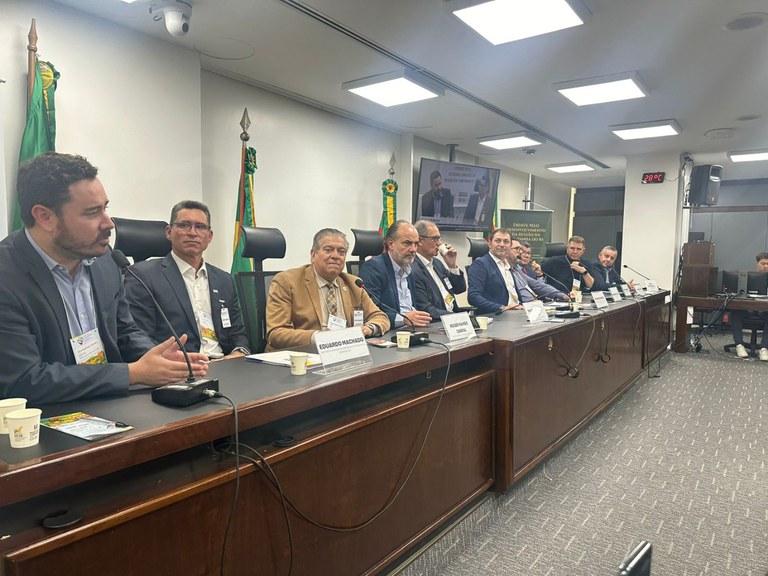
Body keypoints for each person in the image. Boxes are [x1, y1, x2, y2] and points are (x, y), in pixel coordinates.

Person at [0, 152, 208, 404]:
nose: (108, 223)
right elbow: (24, 381)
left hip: (107, 403)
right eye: (91, 213)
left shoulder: (105, 260)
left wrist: (160, 359)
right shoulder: (7, 277)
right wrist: (133, 373)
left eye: (105, 208)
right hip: (41, 419)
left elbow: (124, 330)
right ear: (45, 217)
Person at [124, 200, 250, 360]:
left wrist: (239, 352)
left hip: (224, 365)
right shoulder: (142, 276)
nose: (192, 232)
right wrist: (176, 361)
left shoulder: (224, 279)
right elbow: (138, 336)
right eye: (184, 225)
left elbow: (237, 332)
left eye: (200, 227)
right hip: (178, 369)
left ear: (209, 236)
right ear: (169, 232)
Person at [265, 228, 390, 351]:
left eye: (341, 252)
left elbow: (380, 317)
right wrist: (321, 338)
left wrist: (368, 328)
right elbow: (276, 333)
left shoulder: (353, 283)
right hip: (302, 356)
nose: (335, 256)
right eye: (328, 250)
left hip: (344, 353)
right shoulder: (286, 281)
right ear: (313, 254)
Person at [467, 229, 568, 314]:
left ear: (509, 245)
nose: (502, 245)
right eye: (498, 241)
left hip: (518, 313)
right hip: (498, 316)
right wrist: (501, 307)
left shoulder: (509, 266)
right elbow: (473, 297)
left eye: (506, 242)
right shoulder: (480, 265)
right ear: (489, 244)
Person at [358, 220, 432, 329]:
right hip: (389, 331)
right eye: (407, 243)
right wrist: (403, 319)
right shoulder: (374, 268)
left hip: (411, 329)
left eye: (415, 244)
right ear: (391, 244)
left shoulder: (409, 270)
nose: (413, 249)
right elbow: (370, 312)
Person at [412, 220, 467, 320]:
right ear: (420, 241)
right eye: (435, 239)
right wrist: (457, 317)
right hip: (436, 324)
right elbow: (425, 309)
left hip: (453, 319)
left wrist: (452, 265)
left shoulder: (437, 263)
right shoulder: (413, 269)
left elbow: (460, 289)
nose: (440, 243)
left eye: (439, 238)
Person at [731, 251, 768, 360]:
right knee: (735, 312)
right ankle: (739, 345)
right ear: (757, 264)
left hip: (765, 311)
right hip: (749, 309)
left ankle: (764, 348)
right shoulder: (748, 277)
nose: (766, 266)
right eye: (763, 263)